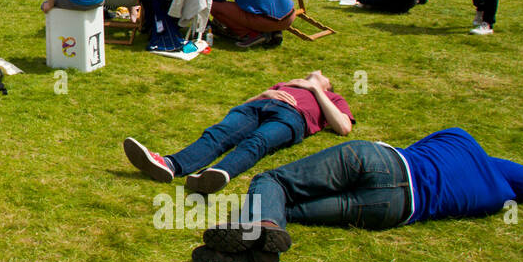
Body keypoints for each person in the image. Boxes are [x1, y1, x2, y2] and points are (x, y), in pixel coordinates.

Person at [191, 128, 523, 262]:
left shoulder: (460, 139)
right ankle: (253, 250)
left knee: (271, 181)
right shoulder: (494, 195)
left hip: (381, 161)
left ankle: (262, 227)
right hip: (394, 211)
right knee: (288, 208)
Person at [123, 70, 353, 195]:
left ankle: (213, 175)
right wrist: (266, 93)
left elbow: (343, 127)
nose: (317, 72)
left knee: (257, 141)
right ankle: (168, 164)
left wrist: (316, 88)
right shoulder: (287, 84)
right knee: (218, 133)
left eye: (323, 76)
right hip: (257, 107)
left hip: (292, 117)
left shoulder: (332, 98)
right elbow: (246, 104)